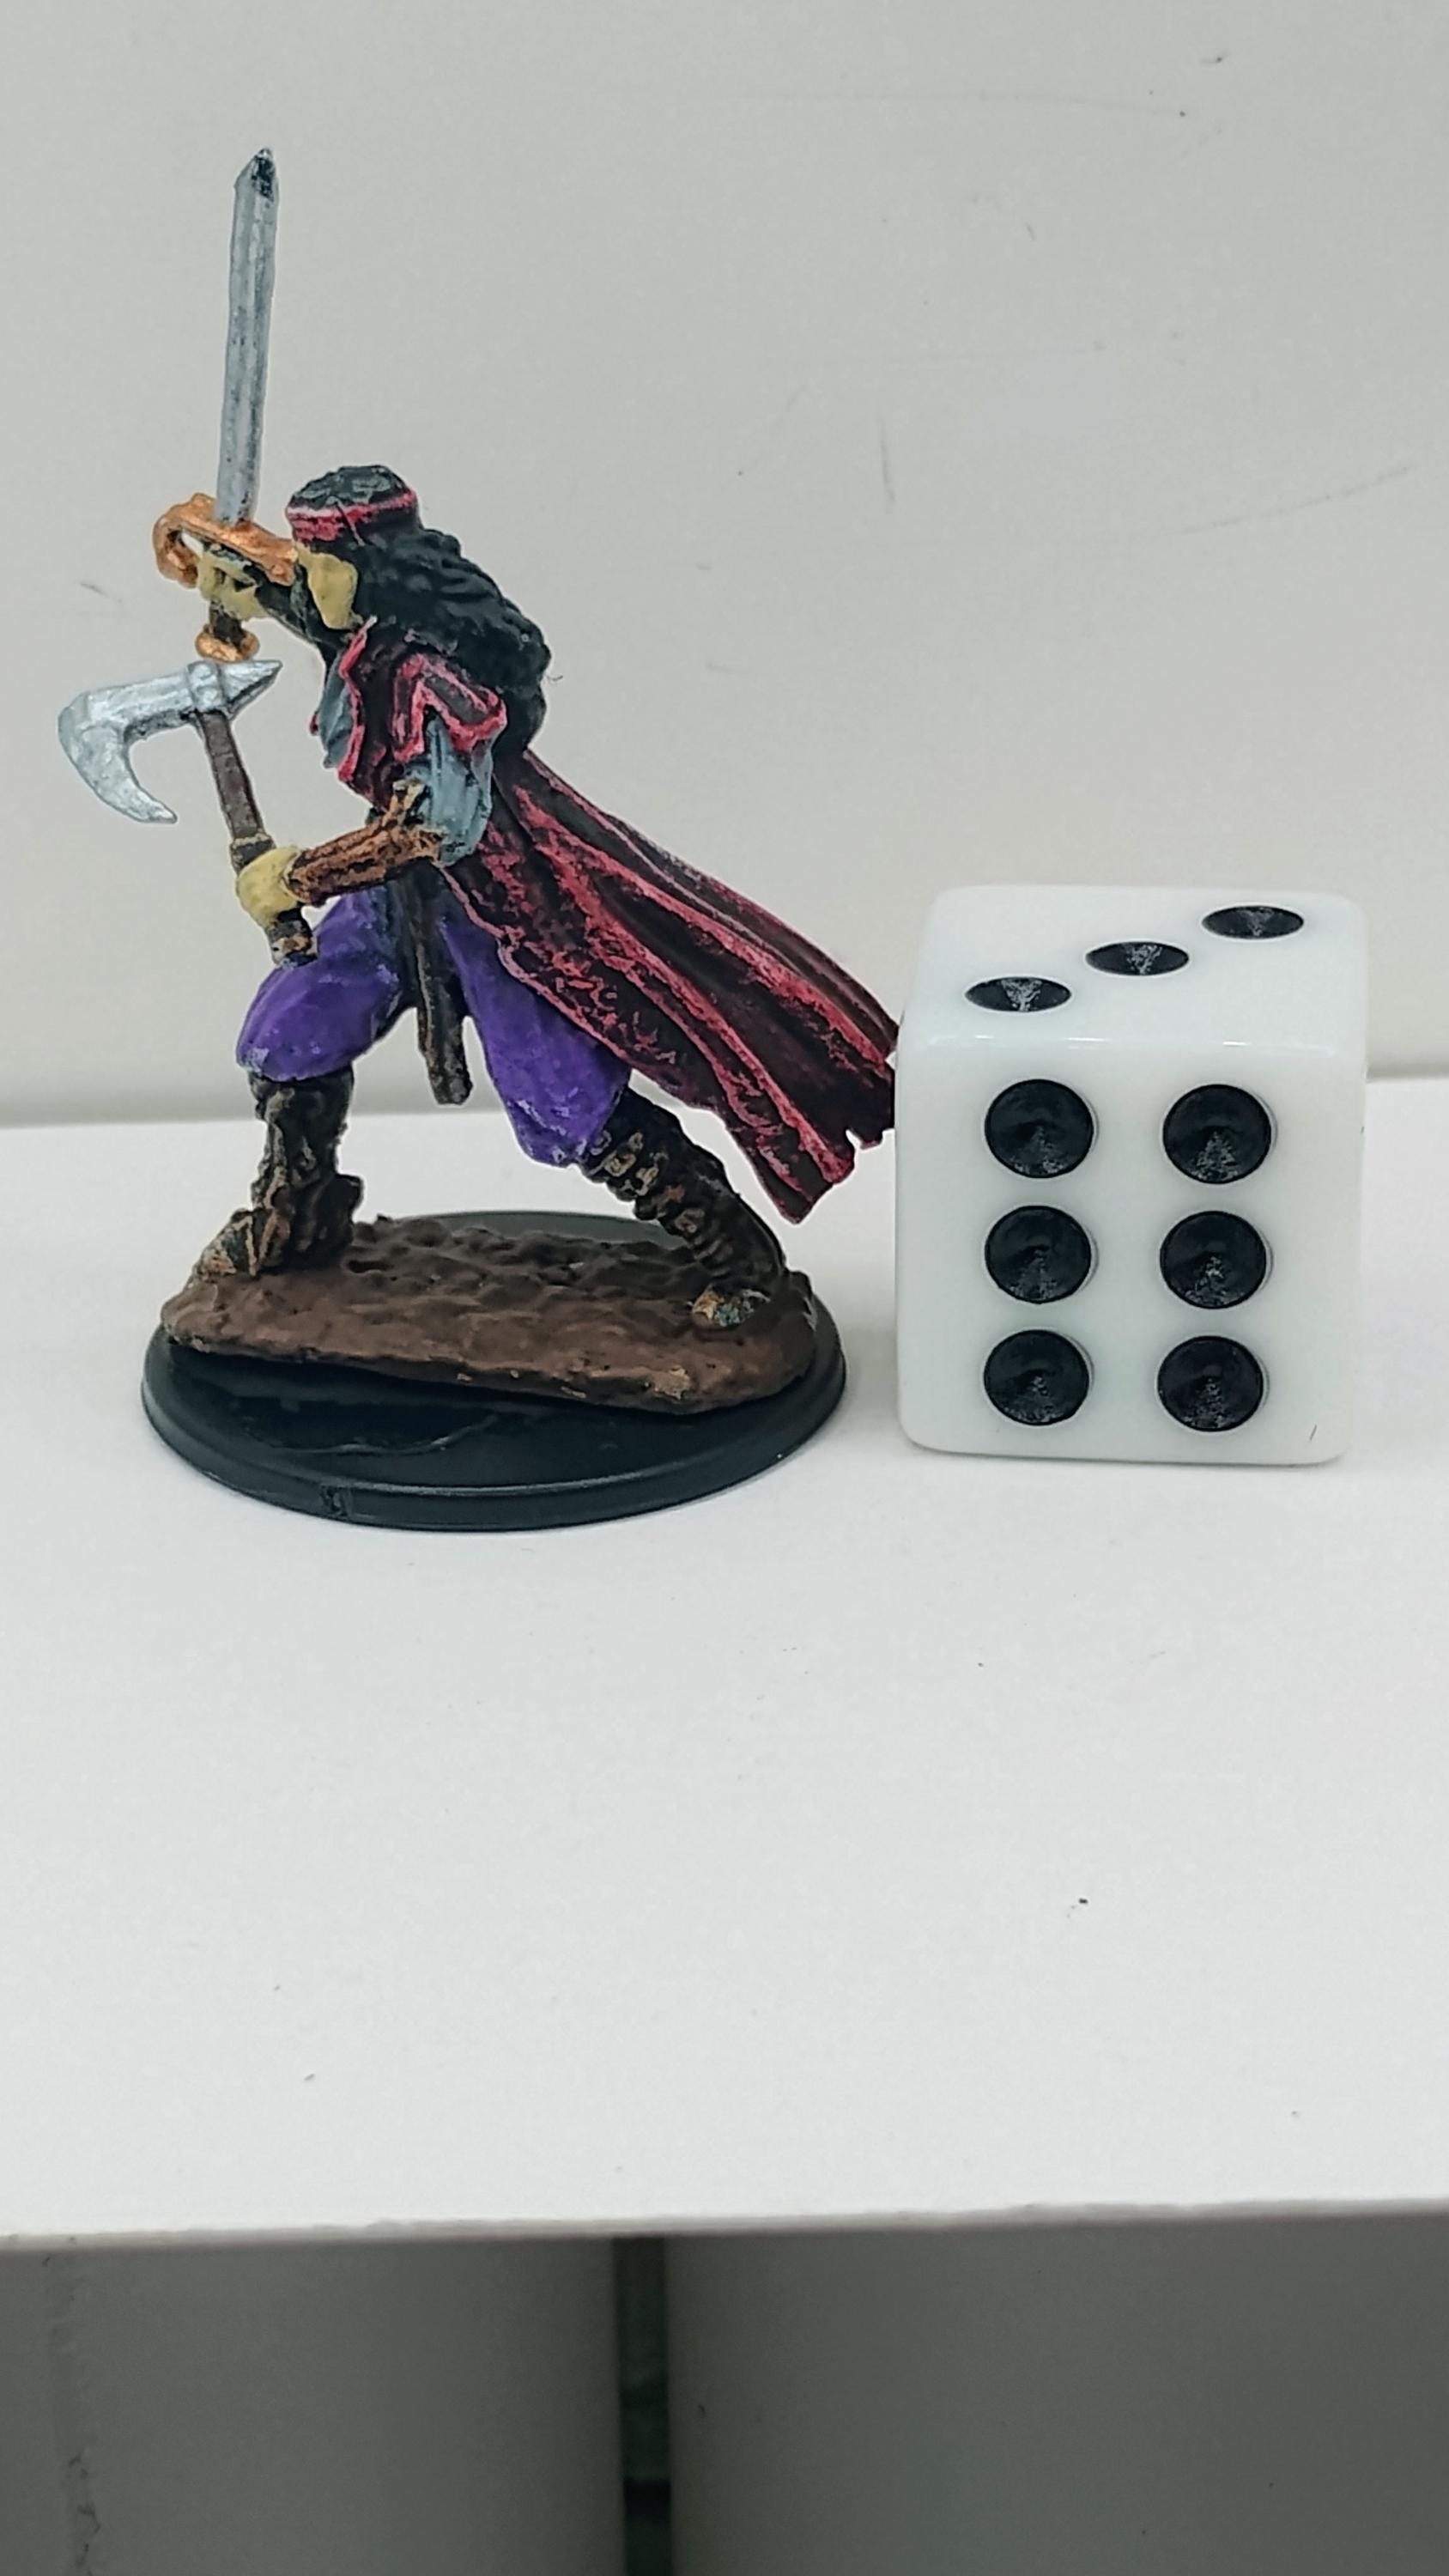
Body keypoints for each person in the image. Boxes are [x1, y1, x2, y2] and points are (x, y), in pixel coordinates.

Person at [174, 465, 894, 1322]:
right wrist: (235, 576)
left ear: (379, 577)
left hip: (502, 914)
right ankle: (296, 1217)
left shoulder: (434, 684)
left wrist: (296, 877)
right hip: (398, 905)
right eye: (307, 561)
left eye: (325, 564)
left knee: (562, 1100)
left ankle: (737, 1256)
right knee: (290, 1032)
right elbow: (312, 607)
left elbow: (436, 827)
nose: (311, 579)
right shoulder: (366, 631)